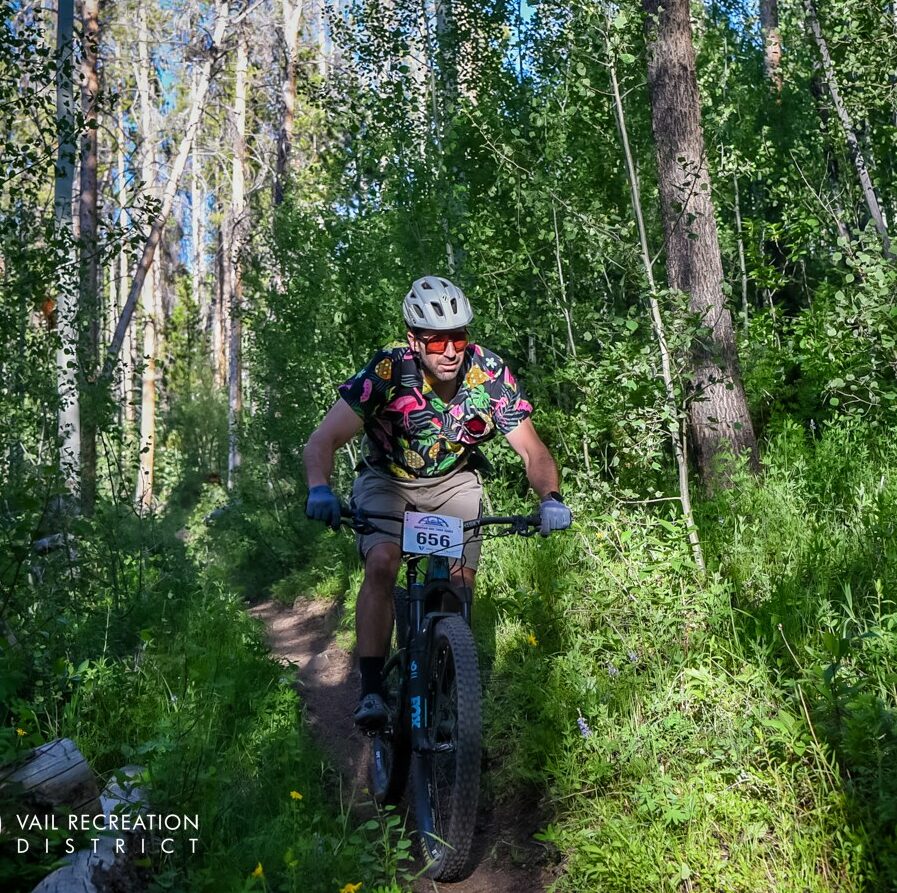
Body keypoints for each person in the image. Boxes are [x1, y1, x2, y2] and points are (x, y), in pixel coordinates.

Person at [303, 276, 572, 729]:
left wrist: (551, 498)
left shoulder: (487, 373)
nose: (450, 350)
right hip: (387, 482)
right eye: (436, 340)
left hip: (453, 483)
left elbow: (532, 449)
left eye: (459, 337)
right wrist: (319, 488)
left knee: (458, 580)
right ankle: (371, 691)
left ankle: (446, 690)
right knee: (384, 562)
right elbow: (323, 440)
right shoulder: (389, 370)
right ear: (414, 341)